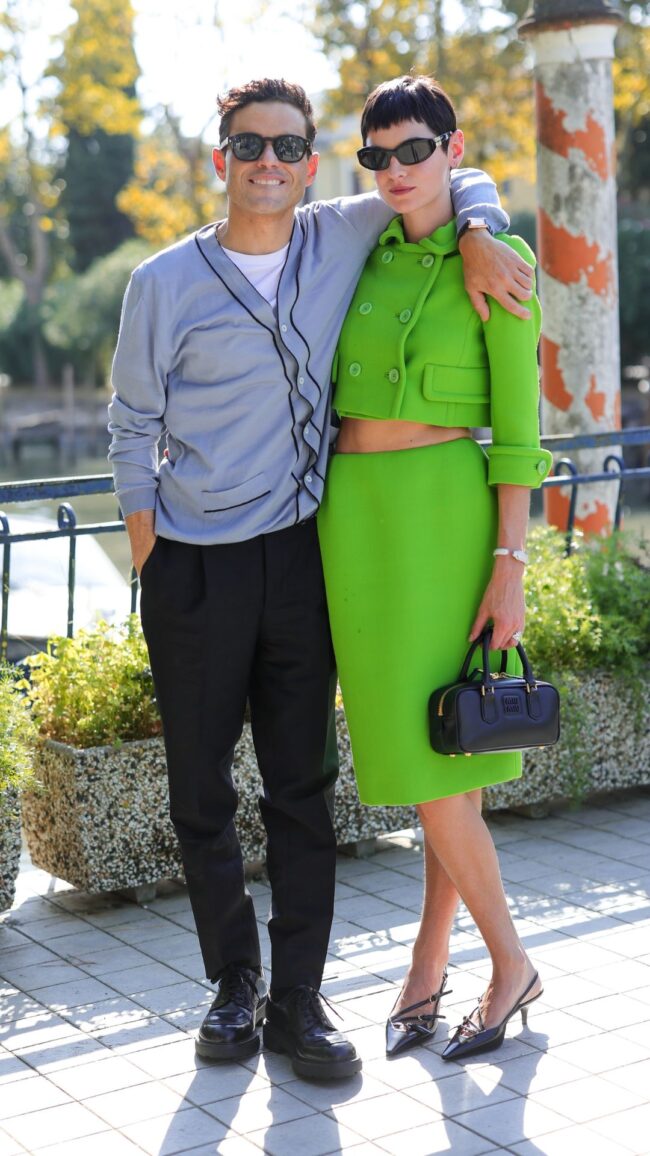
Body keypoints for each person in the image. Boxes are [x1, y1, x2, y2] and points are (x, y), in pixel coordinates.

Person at [108, 76, 535, 1081]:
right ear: (221, 158)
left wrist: (477, 222)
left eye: (289, 147)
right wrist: (149, 553)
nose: (270, 162)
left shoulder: (344, 234)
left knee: (307, 784)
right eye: (249, 145)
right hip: (210, 562)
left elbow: (450, 169)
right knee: (201, 790)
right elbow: (129, 427)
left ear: (306, 161)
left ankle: (300, 998)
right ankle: (232, 989)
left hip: (311, 548)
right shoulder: (167, 281)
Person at [317, 74, 553, 1062]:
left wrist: (509, 562)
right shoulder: (360, 246)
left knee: (436, 767)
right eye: (378, 156)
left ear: (448, 151)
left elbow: (517, 434)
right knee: (432, 761)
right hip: (352, 523)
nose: (396, 170)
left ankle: (508, 964)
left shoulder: (493, 262)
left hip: (445, 521)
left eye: (415, 150)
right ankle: (427, 955)